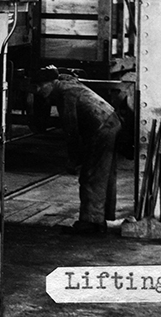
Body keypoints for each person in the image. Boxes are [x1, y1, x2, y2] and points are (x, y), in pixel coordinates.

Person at [32, 66, 121, 235]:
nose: (38, 90)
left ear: (52, 82)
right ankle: (99, 219)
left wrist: (73, 159)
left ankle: (91, 223)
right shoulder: (68, 85)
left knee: (90, 175)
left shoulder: (67, 95)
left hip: (102, 128)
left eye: (40, 85)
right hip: (110, 122)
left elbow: (71, 129)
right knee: (103, 174)